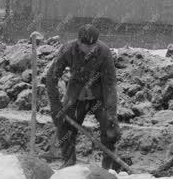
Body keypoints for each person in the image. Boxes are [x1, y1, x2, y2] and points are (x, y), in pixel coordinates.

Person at [46, 24, 121, 171]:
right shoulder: (67, 50)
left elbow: (110, 84)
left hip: (98, 94)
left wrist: (111, 112)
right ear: (78, 42)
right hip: (76, 92)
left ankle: (109, 164)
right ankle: (69, 160)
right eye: (86, 46)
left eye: (92, 46)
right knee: (64, 125)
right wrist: (55, 104)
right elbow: (51, 77)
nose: (89, 49)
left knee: (110, 127)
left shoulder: (104, 52)